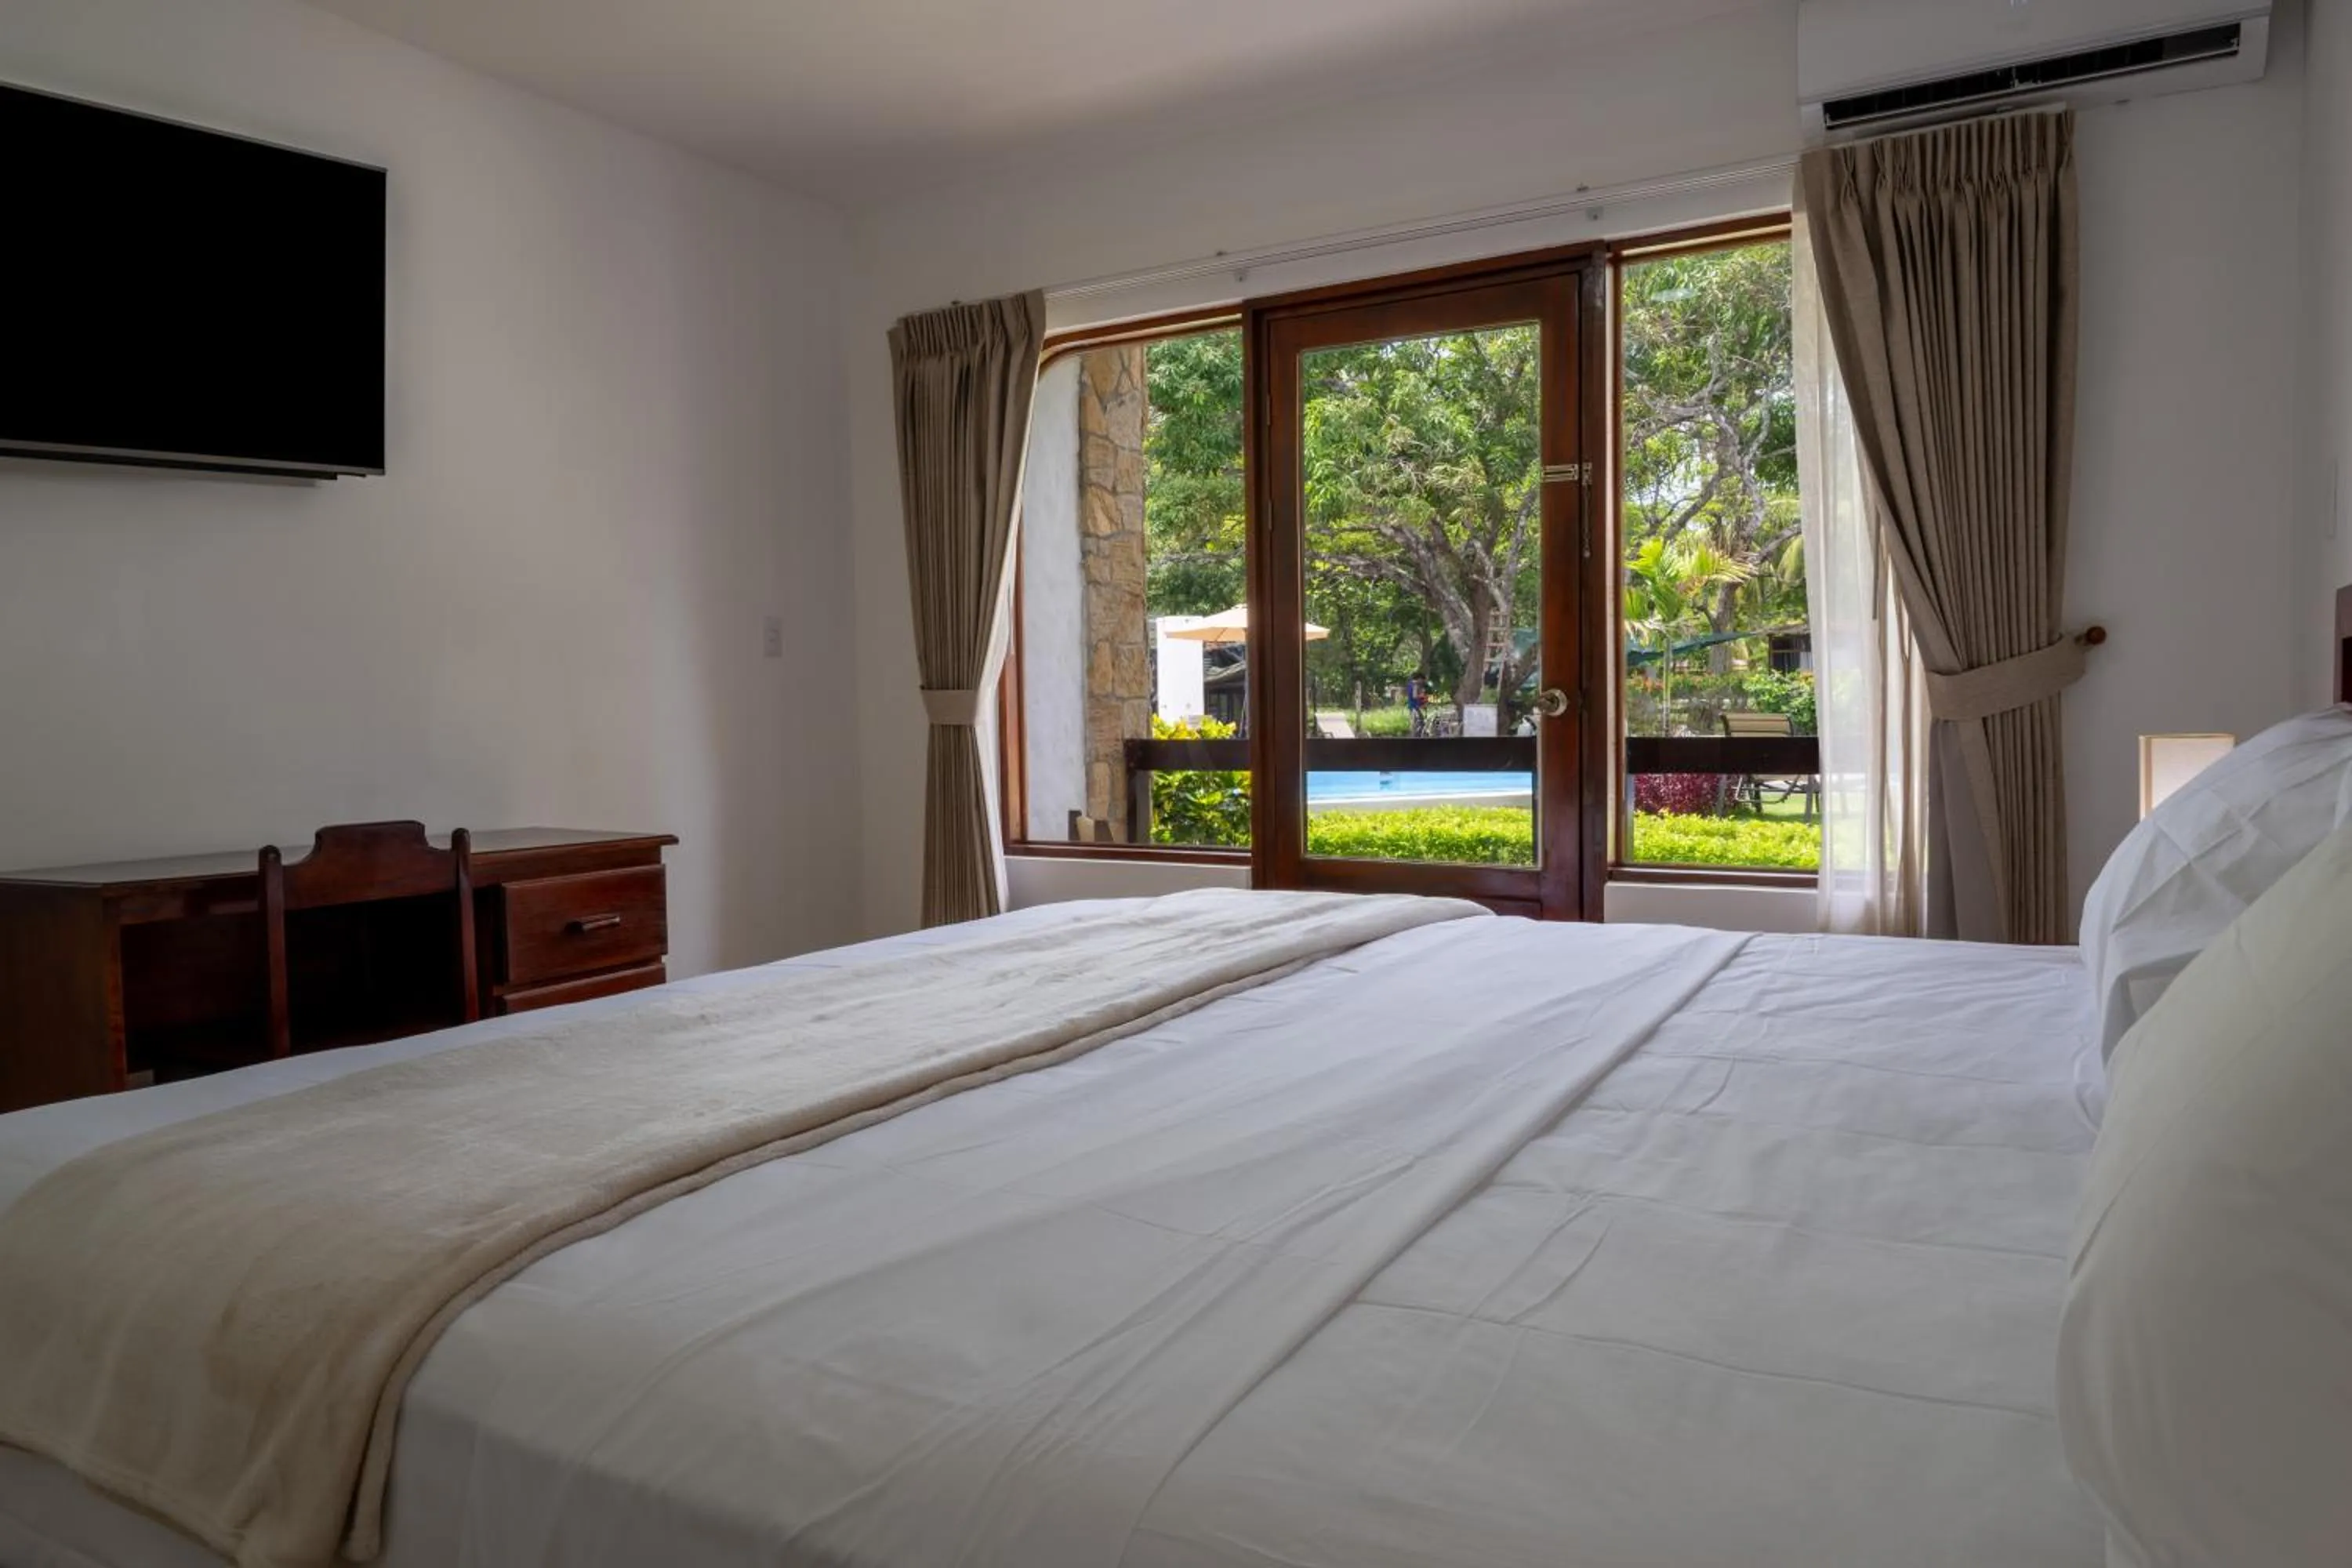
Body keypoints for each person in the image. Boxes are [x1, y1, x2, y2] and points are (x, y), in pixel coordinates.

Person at [1406, 673, 1428, 738]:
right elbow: (1415, 696)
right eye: (1422, 680)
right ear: (1419, 679)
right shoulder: (1415, 685)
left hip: (1412, 706)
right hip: (1414, 707)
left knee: (1417, 723)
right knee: (1417, 724)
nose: (1422, 682)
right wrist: (1422, 695)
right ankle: (1416, 738)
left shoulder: (1410, 684)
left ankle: (1416, 736)